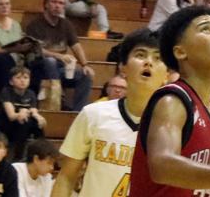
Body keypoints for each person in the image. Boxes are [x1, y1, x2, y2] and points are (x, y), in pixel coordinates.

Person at [52, 28, 168, 197]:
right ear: (123, 68)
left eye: (158, 58)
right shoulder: (93, 114)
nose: (148, 62)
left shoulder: (173, 127)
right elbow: (66, 178)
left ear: (167, 74)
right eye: (141, 55)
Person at [129, 8, 210, 195]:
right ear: (180, 51)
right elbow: (163, 165)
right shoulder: (172, 100)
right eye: (206, 30)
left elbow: (197, 190)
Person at [24, 0, 94, 111]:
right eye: (54, 2)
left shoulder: (66, 24)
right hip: (39, 70)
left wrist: (85, 64)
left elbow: (76, 45)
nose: (57, 6)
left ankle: (78, 113)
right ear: (46, 4)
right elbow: (36, 49)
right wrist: (59, 56)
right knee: (50, 61)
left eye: (61, 3)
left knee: (85, 75)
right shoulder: (34, 25)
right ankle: (57, 98)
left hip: (60, 69)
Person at [0, 66, 45, 161]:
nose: (22, 81)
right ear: (11, 81)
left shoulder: (31, 93)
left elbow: (33, 110)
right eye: (18, 78)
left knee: (38, 124)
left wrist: (38, 116)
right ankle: (18, 157)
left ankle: (43, 154)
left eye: (25, 78)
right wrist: (22, 112)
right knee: (23, 122)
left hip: (22, 122)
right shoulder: (7, 92)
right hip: (5, 125)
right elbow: (11, 116)